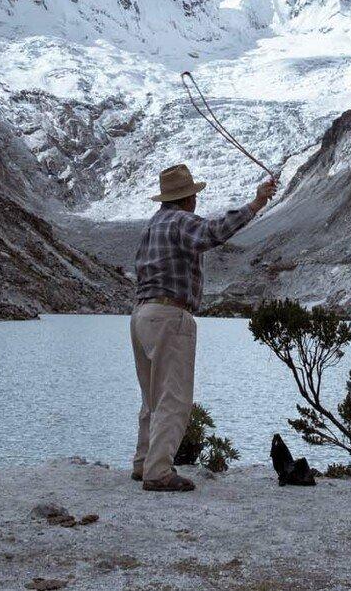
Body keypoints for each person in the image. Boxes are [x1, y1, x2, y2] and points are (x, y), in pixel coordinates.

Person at [130, 162, 276, 491]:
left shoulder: (151, 226)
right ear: (188, 199)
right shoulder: (181, 222)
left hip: (141, 314)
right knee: (174, 397)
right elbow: (212, 233)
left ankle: (142, 463)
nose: (196, 201)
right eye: (194, 195)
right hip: (170, 315)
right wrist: (254, 205)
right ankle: (158, 472)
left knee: (151, 396)